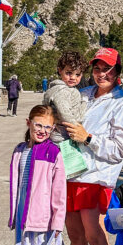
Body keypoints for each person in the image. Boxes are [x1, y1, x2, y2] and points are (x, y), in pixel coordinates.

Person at [50, 48, 123, 245]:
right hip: (70, 173)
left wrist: (89, 138)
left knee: (94, 236)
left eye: (108, 69)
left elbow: (119, 149)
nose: (102, 74)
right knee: (74, 235)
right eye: (97, 68)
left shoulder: (122, 103)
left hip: (96, 177)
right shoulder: (83, 93)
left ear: (117, 71)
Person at [8, 104, 67, 245]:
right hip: (25, 216)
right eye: (38, 125)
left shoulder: (53, 152)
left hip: (43, 219)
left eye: (47, 127)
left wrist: (57, 222)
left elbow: (59, 191)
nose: (42, 130)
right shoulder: (19, 150)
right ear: (28, 123)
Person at [42, 50, 89, 179]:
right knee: (65, 175)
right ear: (60, 70)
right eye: (68, 73)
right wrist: (83, 106)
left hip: (62, 137)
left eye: (77, 74)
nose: (73, 77)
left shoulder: (67, 90)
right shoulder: (61, 91)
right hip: (62, 140)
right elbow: (66, 115)